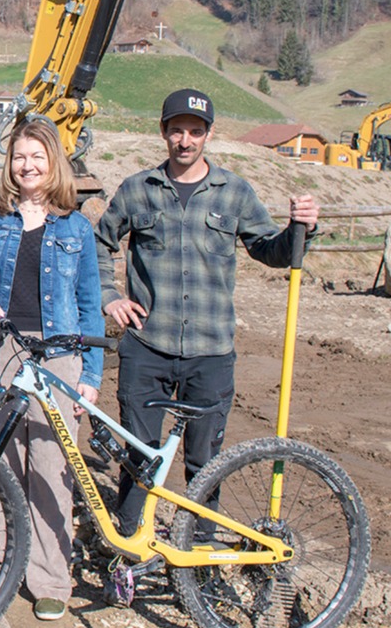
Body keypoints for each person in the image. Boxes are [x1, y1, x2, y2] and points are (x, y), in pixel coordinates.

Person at [94, 88, 318, 544]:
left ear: (208, 135)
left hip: (211, 353)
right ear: (163, 132)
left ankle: (201, 553)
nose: (185, 140)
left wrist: (301, 229)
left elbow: (270, 251)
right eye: (177, 130)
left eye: (195, 131)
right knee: (139, 455)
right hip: (147, 347)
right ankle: (130, 548)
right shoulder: (138, 189)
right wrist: (107, 294)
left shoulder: (234, 192)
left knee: (205, 462)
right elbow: (100, 242)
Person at [0, 118, 104, 622]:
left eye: (37, 158)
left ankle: (50, 579)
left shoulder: (76, 227)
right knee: (3, 462)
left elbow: (89, 304)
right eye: (19, 157)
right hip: (2, 350)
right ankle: (1, 564)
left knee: (51, 465)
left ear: (54, 165)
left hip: (59, 356)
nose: (27, 166)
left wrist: (91, 376)